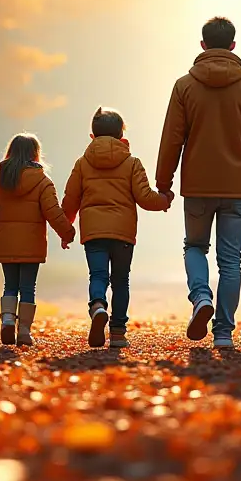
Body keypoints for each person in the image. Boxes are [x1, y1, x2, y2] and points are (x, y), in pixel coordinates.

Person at [156, 16, 241, 349]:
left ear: (203, 45)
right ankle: (223, 332)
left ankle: (200, 298)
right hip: (236, 188)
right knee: (231, 260)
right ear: (233, 46)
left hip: (196, 187)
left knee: (194, 247)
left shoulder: (184, 86)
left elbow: (172, 139)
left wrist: (163, 184)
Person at [62, 108, 172, 349]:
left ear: (92, 137)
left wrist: (66, 230)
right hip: (123, 233)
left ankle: (98, 305)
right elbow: (145, 198)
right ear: (122, 136)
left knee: (98, 276)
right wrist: (164, 200)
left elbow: (70, 200)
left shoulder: (82, 164)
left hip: (93, 232)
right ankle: (118, 334)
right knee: (121, 280)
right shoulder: (132, 163)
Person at [0, 133, 75, 346]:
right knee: (28, 287)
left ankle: (7, 319)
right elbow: (53, 212)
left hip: (7, 242)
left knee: (10, 284)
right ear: (35, 153)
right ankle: (23, 330)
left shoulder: (1, 176)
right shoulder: (42, 181)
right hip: (32, 244)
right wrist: (67, 234)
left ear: (11, 152)